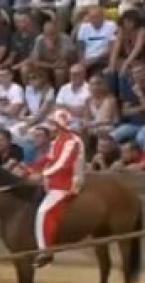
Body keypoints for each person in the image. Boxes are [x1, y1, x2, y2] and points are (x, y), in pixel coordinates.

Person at [26, 108, 84, 268]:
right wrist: (30, 168)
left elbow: (63, 164)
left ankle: (45, 252)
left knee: (43, 211)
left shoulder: (73, 141)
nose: (51, 127)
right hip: (55, 180)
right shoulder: (56, 140)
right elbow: (49, 158)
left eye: (53, 123)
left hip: (68, 183)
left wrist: (43, 174)